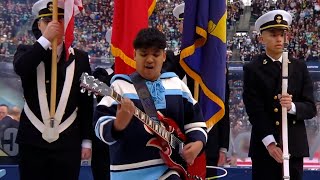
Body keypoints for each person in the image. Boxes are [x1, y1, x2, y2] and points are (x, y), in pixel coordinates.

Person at [93, 27, 207, 179]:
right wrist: (117, 125)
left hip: (173, 171)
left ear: (164, 56)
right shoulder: (119, 86)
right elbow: (99, 126)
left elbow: (196, 122)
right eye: (143, 54)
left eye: (156, 54)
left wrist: (198, 143)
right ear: (134, 55)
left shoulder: (176, 85)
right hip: (129, 174)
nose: (150, 59)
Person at [13, 0, 93, 179]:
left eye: (59, 20)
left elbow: (85, 102)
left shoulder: (80, 58)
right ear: (39, 25)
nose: (54, 25)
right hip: (33, 140)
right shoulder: (26, 51)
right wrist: (44, 41)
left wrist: (87, 141)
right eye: (47, 21)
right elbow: (22, 68)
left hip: (68, 140)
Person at [243, 10, 316, 180]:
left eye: (282, 35)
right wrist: (270, 143)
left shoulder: (298, 67)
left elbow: (311, 108)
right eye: (273, 35)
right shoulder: (253, 69)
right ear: (261, 39)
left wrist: (292, 106)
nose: (279, 39)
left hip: (294, 146)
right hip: (265, 148)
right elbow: (255, 110)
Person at [205, 67, 230, 177]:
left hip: (211, 147)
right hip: (183, 145)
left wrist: (223, 148)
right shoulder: (187, 60)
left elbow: (223, 110)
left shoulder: (216, 64)